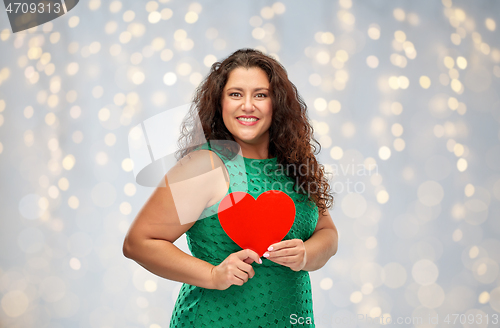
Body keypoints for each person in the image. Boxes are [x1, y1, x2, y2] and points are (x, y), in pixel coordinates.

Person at [123, 48, 338, 328]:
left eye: (260, 95)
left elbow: (327, 233)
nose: (247, 105)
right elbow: (139, 242)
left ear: (278, 103)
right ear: (219, 103)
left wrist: (306, 255)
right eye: (236, 94)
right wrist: (213, 275)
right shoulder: (205, 165)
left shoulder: (296, 165)